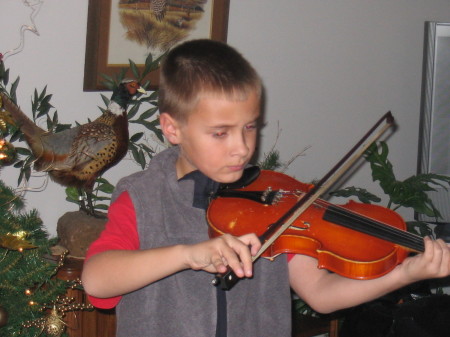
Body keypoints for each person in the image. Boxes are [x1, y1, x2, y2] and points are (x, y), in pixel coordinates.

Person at [81, 39, 450, 337]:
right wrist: (186, 255)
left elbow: (321, 295)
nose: (241, 147)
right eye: (220, 133)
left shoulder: (278, 200)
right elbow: (97, 279)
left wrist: (404, 274)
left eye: (250, 127)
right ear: (173, 128)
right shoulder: (142, 197)